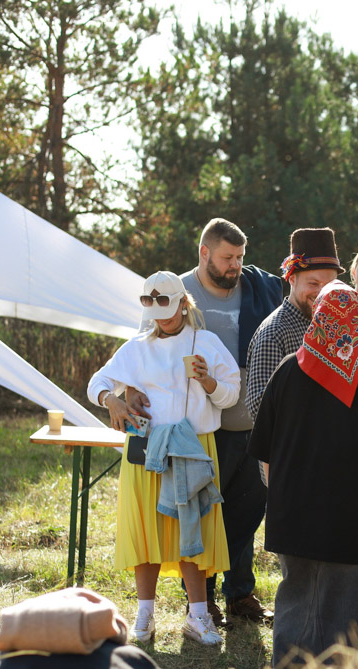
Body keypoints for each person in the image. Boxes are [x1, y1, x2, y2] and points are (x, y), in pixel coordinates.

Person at [248, 281, 358, 669]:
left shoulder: (290, 369)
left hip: (293, 512)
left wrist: (281, 498)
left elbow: (265, 450)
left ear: (319, 317)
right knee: (347, 609)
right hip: (353, 515)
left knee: (295, 600)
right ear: (357, 320)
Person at [126, 218, 283, 626]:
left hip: (250, 416)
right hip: (201, 428)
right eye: (228, 258)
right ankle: (203, 600)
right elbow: (142, 350)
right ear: (204, 253)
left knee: (248, 510)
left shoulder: (255, 288)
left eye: (240, 258)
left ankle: (240, 593)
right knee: (202, 508)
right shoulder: (174, 292)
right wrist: (124, 392)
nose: (236, 266)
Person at [88, 271, 240, 647]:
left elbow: (231, 395)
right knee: (147, 529)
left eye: (169, 308)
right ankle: (144, 614)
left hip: (193, 446)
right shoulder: (137, 347)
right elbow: (97, 384)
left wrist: (207, 382)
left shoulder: (206, 342)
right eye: (155, 308)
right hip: (149, 450)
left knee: (193, 529)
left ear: (185, 304)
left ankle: (198, 616)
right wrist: (116, 398)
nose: (163, 316)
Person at [245, 228, 345, 422]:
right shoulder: (275, 332)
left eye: (329, 285)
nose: (322, 293)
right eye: (313, 283)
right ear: (292, 278)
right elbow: (259, 408)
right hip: (293, 449)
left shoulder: (333, 325)